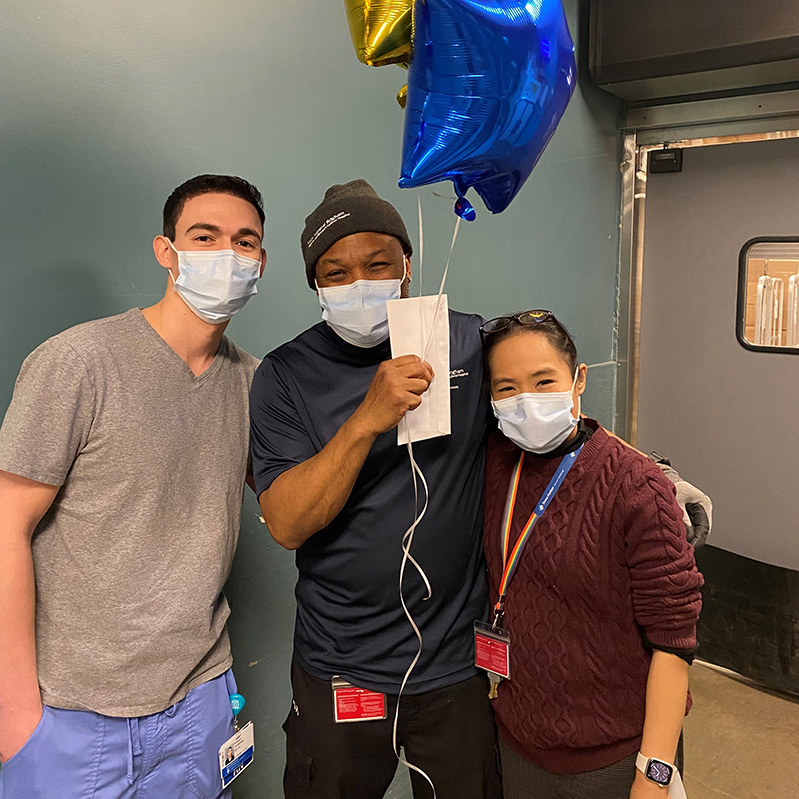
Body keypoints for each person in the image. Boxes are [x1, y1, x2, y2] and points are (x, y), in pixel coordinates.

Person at [0, 174, 266, 799]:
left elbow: (300, 504)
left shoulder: (256, 385)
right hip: (72, 711)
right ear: (165, 250)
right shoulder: (79, 361)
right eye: (205, 236)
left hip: (200, 704)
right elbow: (5, 523)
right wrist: (15, 712)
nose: (226, 254)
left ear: (261, 262)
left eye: (245, 241)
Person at [249, 180, 501, 799]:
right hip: (341, 664)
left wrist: (654, 477)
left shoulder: (468, 342)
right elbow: (285, 523)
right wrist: (366, 418)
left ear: (408, 266)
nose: (358, 282)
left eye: (377, 264)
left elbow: (546, 409)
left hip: (455, 664)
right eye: (335, 272)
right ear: (316, 286)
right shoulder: (284, 376)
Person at [480, 310, 704, 799]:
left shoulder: (636, 487)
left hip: (616, 758)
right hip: (519, 744)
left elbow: (674, 642)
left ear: (578, 380)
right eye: (507, 389)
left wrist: (655, 775)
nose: (528, 402)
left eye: (544, 381)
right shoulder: (497, 463)